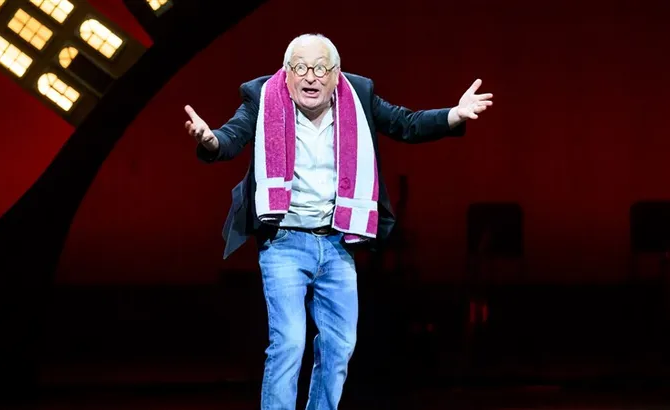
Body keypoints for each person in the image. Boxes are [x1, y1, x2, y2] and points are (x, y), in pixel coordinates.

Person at [184, 33, 492, 410]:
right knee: (289, 343)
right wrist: (209, 140)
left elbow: (405, 123)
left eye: (320, 68)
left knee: (340, 346)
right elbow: (230, 138)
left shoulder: (358, 95)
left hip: (336, 244)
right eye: (300, 67)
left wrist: (454, 114)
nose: (310, 77)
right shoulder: (262, 96)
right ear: (286, 72)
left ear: (336, 74)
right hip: (284, 243)